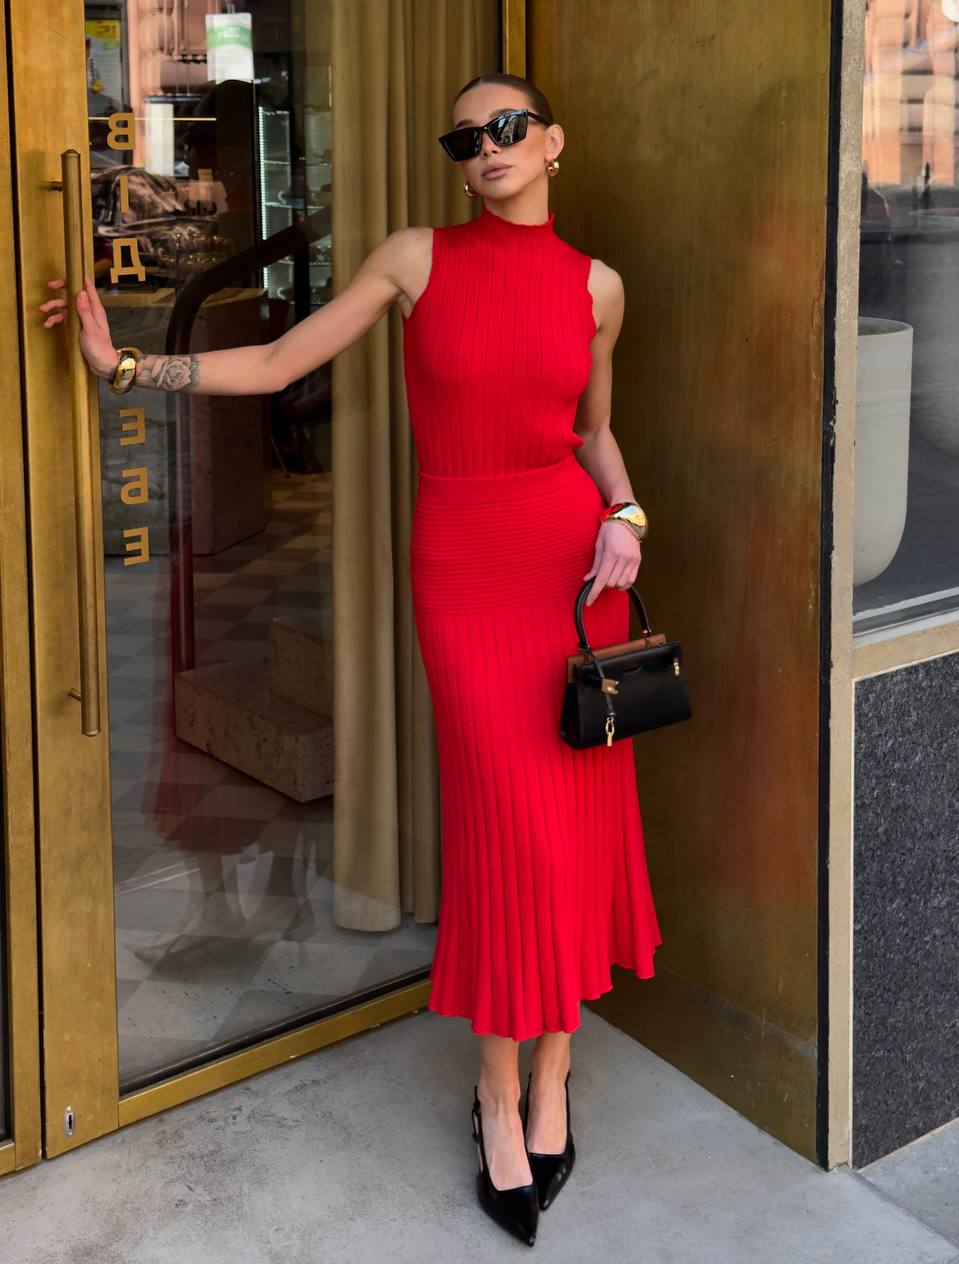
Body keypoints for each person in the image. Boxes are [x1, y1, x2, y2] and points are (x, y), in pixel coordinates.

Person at [39, 71, 662, 1248]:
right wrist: (129, 368)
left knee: (575, 808)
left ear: (552, 143)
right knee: (504, 821)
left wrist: (623, 518)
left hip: (570, 571)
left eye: (509, 128)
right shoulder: (417, 258)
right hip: (464, 569)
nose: (487, 147)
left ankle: (551, 1079)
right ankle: (492, 1084)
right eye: (466, 135)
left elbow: (591, 432)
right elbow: (278, 368)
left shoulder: (597, 286)